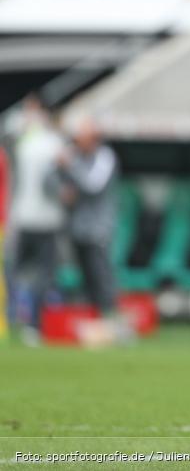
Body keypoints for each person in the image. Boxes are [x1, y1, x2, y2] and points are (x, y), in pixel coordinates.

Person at [4, 94, 66, 345]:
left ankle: (23, 322)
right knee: (32, 273)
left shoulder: (30, 140)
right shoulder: (51, 142)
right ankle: (25, 323)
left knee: (21, 272)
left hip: (33, 218)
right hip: (34, 218)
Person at [57, 117, 121, 346]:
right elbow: (57, 185)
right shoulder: (75, 157)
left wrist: (70, 166)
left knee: (102, 278)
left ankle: (114, 328)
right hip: (77, 229)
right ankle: (95, 331)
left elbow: (93, 186)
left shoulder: (105, 157)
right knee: (86, 281)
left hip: (98, 230)